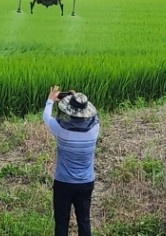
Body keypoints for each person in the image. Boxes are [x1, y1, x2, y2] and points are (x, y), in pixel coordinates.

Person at [43, 85, 100, 236]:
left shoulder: (61, 130)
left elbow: (46, 117)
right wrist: (78, 99)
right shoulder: (94, 129)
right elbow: (95, 116)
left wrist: (51, 100)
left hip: (63, 183)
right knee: (84, 221)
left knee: (61, 222)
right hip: (86, 183)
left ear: (69, 111)